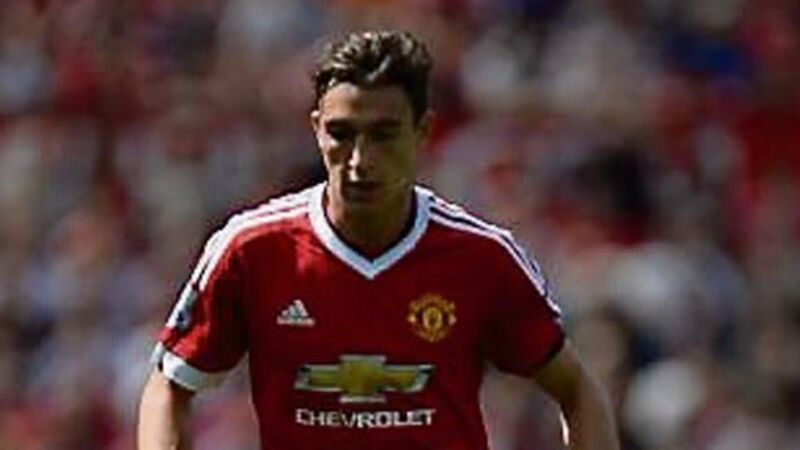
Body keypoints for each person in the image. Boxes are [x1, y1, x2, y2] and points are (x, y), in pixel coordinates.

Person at [137, 30, 620, 450]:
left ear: (422, 132)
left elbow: (577, 390)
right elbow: (170, 386)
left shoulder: (481, 257)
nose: (360, 160)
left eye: (383, 134)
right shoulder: (252, 250)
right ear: (316, 130)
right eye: (342, 134)